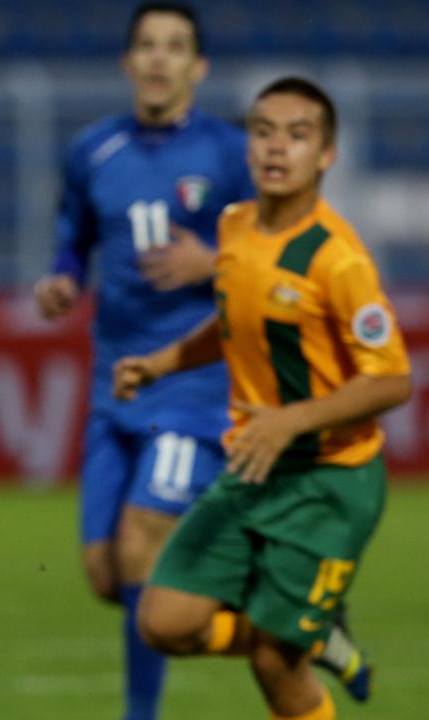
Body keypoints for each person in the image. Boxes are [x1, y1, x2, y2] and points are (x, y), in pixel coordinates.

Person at [115, 76, 412, 720]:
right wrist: (161, 363)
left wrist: (291, 421)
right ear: (247, 145)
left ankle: (300, 636)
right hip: (254, 465)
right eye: (264, 132)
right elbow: (235, 320)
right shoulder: (235, 225)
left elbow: (393, 379)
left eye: (298, 136)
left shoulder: (339, 261)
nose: (278, 148)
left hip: (328, 482)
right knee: (163, 623)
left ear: (326, 155)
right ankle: (314, 631)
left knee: (276, 665)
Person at [33, 5, 260, 717]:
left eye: (176, 48)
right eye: (148, 46)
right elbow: (75, 233)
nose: (160, 59)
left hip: (195, 387)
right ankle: (275, 630)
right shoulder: (93, 151)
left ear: (199, 67)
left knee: (140, 551)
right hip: (115, 387)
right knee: (107, 574)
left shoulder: (230, 154)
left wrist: (213, 258)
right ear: (129, 61)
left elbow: (275, 256)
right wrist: (64, 277)